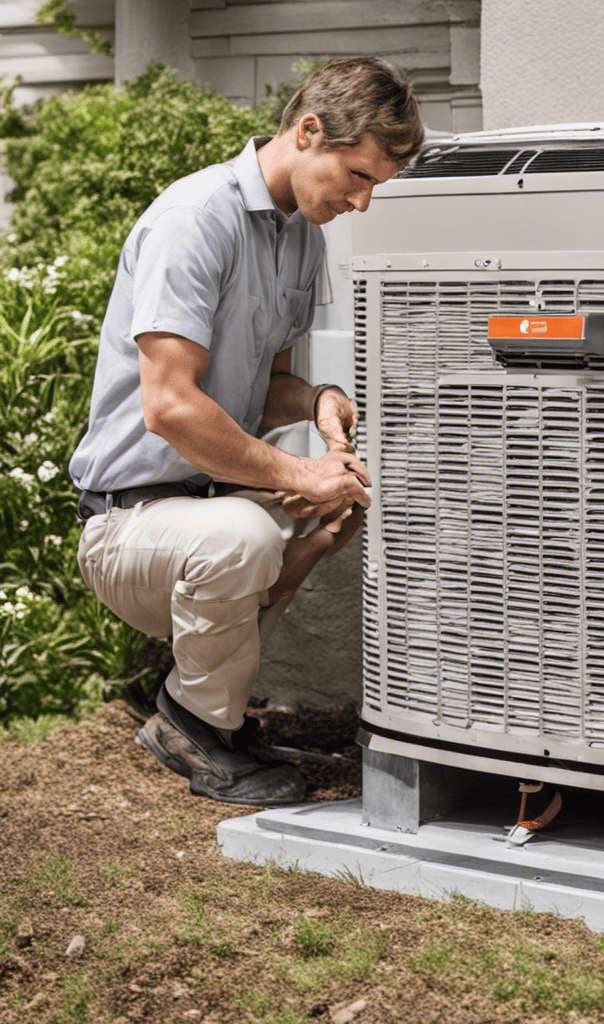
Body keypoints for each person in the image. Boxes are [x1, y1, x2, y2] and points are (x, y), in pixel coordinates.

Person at [69, 57, 423, 806]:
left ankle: (214, 716)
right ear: (309, 131)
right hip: (126, 523)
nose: (361, 201)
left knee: (334, 512)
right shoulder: (193, 219)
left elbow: (262, 393)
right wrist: (293, 473)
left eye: (374, 187)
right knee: (243, 535)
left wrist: (321, 401)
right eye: (356, 176)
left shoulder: (303, 238)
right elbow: (169, 405)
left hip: (198, 507)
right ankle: (188, 724)